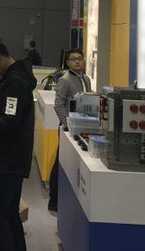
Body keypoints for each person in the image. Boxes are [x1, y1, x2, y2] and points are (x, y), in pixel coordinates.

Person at [0, 38, 36, 251]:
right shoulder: (14, 78)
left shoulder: (15, 82)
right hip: (12, 158)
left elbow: (9, 121)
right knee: (10, 213)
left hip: (8, 161)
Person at [48, 48, 91, 211]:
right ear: (67, 63)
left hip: (83, 126)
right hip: (68, 128)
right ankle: (54, 200)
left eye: (80, 58)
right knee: (60, 162)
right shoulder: (65, 80)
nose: (77, 61)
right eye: (73, 59)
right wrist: (67, 125)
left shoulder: (86, 79)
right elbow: (58, 105)